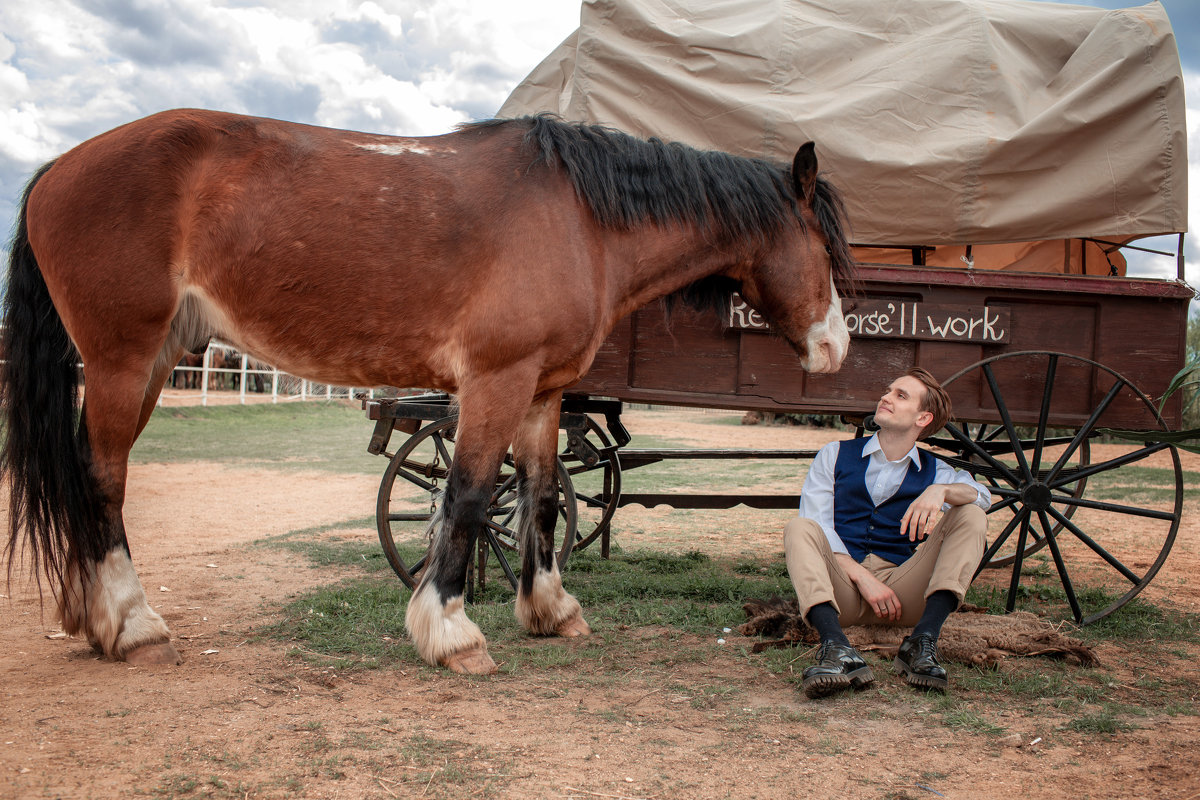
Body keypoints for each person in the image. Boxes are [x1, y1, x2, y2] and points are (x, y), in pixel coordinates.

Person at [783, 367, 991, 698]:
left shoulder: (937, 470)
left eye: (900, 395)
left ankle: (922, 641)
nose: (886, 397)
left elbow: (982, 497)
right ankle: (836, 645)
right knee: (800, 527)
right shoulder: (834, 455)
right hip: (842, 592)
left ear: (923, 418)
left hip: (901, 594)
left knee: (972, 515)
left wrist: (941, 492)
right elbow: (818, 522)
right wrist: (864, 578)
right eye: (888, 390)